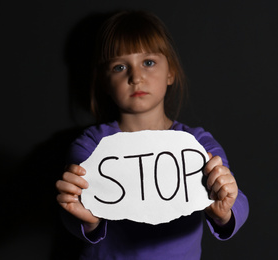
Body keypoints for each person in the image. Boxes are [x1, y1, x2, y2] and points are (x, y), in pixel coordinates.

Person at [55, 10, 249, 259]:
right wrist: (88, 220)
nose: (136, 77)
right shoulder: (91, 145)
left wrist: (225, 211)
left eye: (148, 62)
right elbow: (73, 210)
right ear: (104, 82)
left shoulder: (198, 144)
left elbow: (235, 198)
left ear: (171, 73)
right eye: (120, 66)